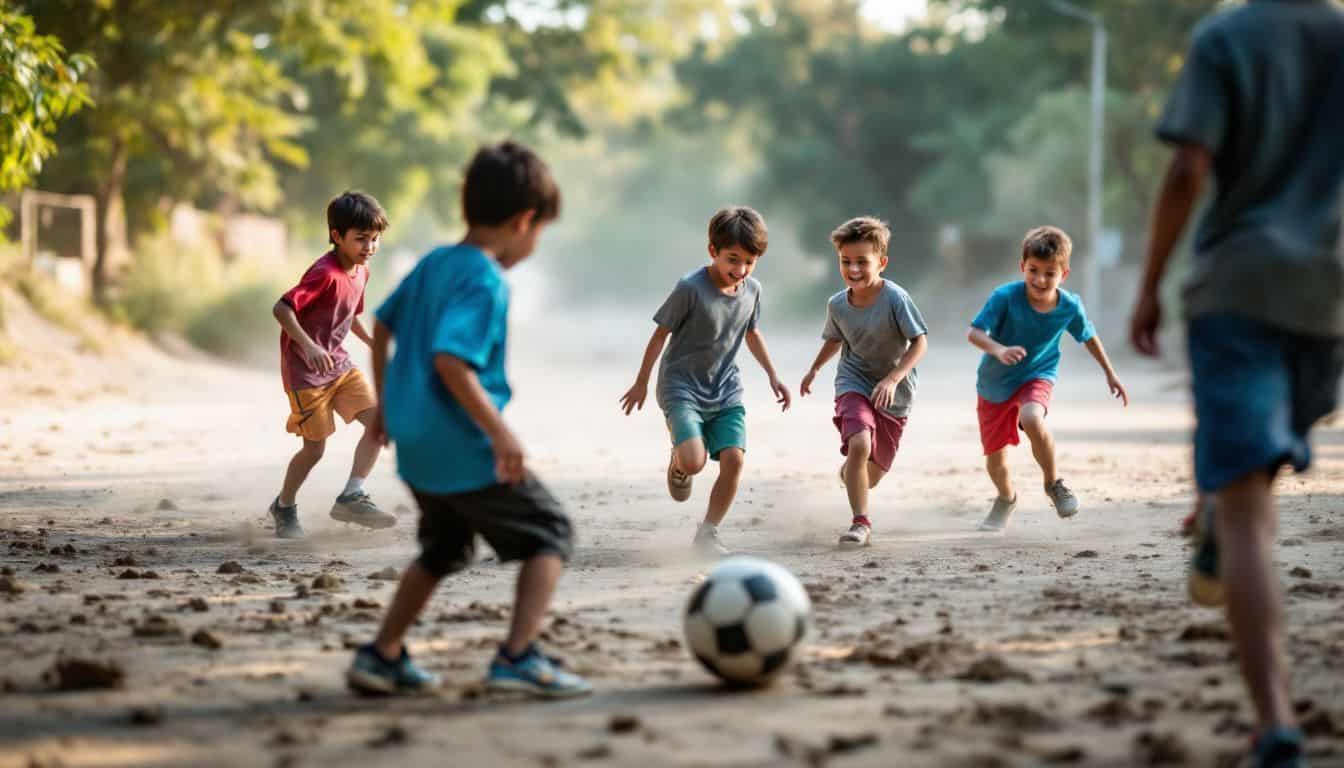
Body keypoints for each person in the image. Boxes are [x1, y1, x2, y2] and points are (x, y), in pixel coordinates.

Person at [1129, 2, 1344, 764]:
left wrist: (1151, 283)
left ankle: (1278, 727)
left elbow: (1189, 166)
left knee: (1251, 512)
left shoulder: (1227, 37)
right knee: (1263, 466)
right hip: (1330, 299)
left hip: (1238, 286)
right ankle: (1225, 496)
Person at [346, 141, 590, 698]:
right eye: (540, 232)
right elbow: (451, 361)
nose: (535, 243)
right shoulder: (485, 280)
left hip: (415, 447)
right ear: (524, 220)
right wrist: (500, 432)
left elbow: (382, 327)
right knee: (551, 532)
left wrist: (386, 404)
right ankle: (518, 657)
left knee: (444, 548)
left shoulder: (434, 262)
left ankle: (381, 654)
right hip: (463, 446)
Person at [619, 206, 792, 557]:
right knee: (695, 461)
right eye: (732, 259)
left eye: (749, 262)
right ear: (713, 251)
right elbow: (659, 335)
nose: (739, 270)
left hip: (726, 388)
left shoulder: (752, 290)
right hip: (681, 386)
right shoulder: (690, 288)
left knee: (734, 459)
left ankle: (709, 532)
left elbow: (752, 334)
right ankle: (680, 462)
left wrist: (774, 375)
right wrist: (640, 382)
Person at [968, 226, 1128, 532]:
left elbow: (1088, 336)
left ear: (1063, 274)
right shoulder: (1005, 297)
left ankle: (1053, 483)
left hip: (1037, 374)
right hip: (994, 383)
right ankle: (1006, 498)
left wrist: (1110, 373)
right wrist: (999, 350)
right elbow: (973, 332)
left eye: (1049, 273)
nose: (1040, 279)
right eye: (1033, 270)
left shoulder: (1069, 306)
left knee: (1032, 417)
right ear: (1022, 267)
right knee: (996, 463)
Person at [269, 191, 397, 538]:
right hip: (306, 375)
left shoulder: (362, 271)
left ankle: (352, 494)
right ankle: (284, 506)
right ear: (337, 236)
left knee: (379, 425)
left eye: (375, 239)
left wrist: (373, 343)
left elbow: (350, 315)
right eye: (360, 239)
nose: (369, 246)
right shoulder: (323, 273)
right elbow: (282, 309)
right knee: (314, 449)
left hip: (340, 367)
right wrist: (308, 346)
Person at [799, 217, 928, 549]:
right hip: (853, 381)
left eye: (862, 262)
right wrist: (814, 369)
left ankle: (851, 474)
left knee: (870, 476)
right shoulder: (837, 304)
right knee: (859, 444)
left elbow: (920, 342)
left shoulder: (896, 298)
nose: (853, 269)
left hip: (894, 393)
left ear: (881, 263)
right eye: (846, 261)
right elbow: (834, 338)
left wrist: (893, 378)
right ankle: (861, 523)